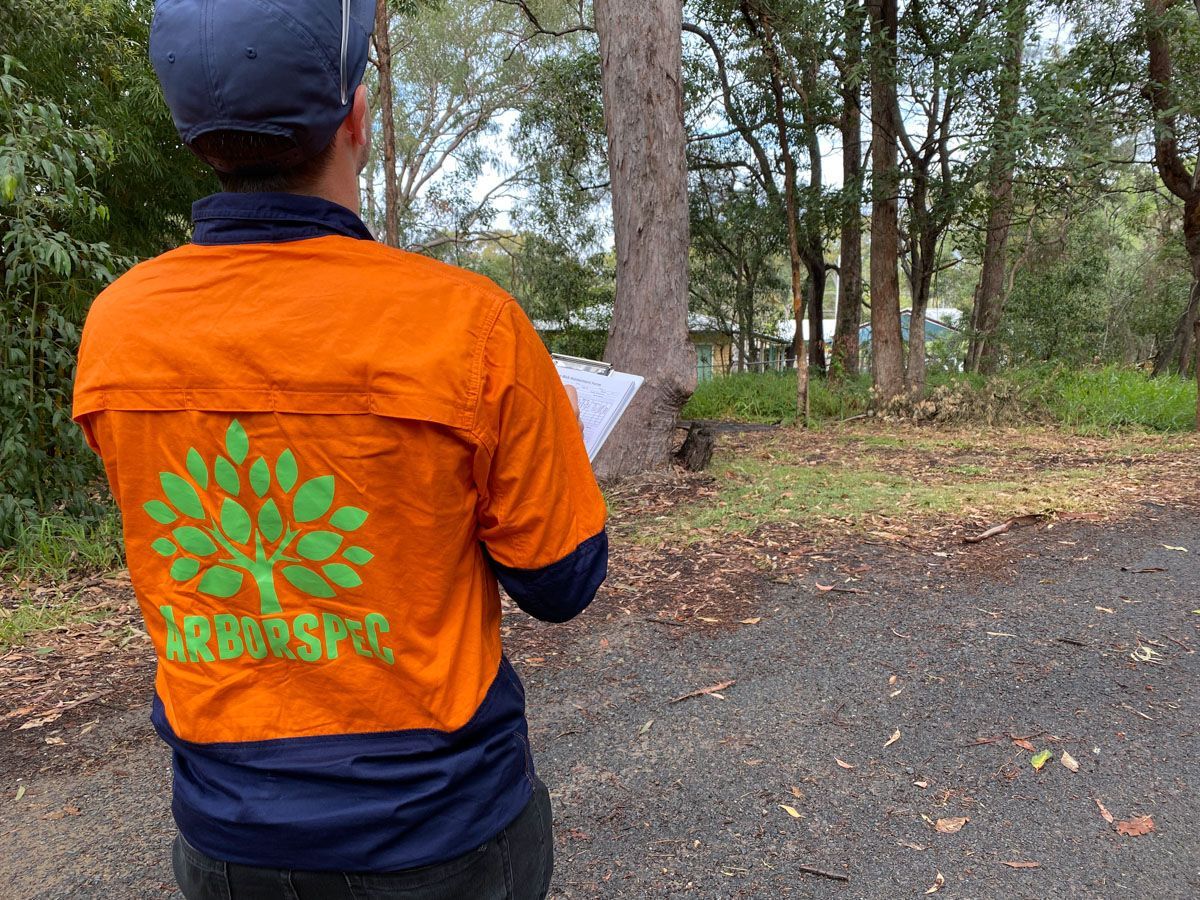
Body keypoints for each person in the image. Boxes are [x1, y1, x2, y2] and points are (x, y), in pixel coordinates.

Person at [71, 1, 608, 897]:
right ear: (355, 117)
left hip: (228, 837)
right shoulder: (468, 325)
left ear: (197, 138)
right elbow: (562, 582)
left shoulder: (119, 327)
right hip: (442, 832)